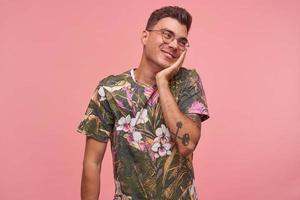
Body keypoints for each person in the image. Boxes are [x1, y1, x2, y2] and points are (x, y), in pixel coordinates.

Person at [76, 5, 210, 200]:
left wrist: (162, 82)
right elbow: (92, 163)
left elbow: (187, 144)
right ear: (145, 36)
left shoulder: (188, 82)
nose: (174, 45)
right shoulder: (110, 90)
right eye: (167, 35)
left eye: (182, 41)